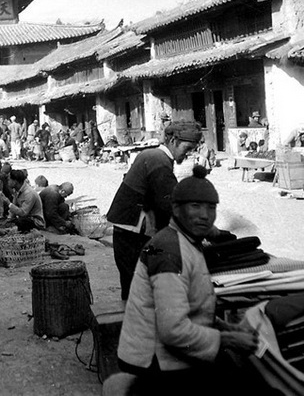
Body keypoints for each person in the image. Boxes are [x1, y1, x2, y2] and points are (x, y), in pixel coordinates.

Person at [111, 168, 259, 396]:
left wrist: (223, 326)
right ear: (177, 209)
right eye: (195, 206)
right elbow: (172, 330)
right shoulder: (169, 250)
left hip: (164, 351)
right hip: (151, 360)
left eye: (211, 208)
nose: (204, 215)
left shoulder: (183, 240)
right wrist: (227, 339)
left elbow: (187, 304)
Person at [106, 119, 203, 301]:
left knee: (134, 282)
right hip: (132, 232)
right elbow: (169, 203)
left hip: (130, 228)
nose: (188, 154)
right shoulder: (158, 161)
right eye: (187, 148)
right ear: (173, 141)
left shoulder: (153, 156)